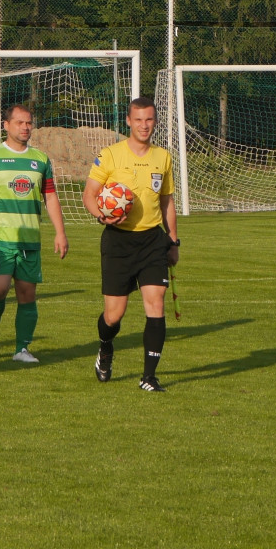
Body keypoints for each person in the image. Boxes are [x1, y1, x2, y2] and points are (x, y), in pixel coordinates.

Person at [82, 96, 179, 392]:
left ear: (155, 122)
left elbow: (167, 201)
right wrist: (102, 215)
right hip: (118, 242)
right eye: (138, 120)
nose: (144, 125)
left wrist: (173, 241)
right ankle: (105, 346)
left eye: (149, 119)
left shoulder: (163, 157)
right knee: (114, 315)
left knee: (156, 303)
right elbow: (89, 194)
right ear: (128, 121)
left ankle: (149, 377)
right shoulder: (110, 155)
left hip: (152, 240)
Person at [0, 104, 68, 364]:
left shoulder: (41, 159)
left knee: (27, 294)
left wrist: (60, 232)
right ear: (6, 125)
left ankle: (22, 349)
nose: (25, 127)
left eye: (29, 123)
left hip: (29, 240)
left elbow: (50, 196)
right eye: (20, 122)